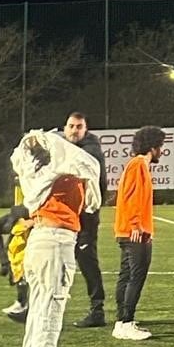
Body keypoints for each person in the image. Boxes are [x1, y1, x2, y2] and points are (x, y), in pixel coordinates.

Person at [10, 130, 101, 347]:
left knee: (40, 299)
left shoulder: (39, 178)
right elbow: (91, 190)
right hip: (56, 241)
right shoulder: (65, 177)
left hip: (40, 239)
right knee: (53, 300)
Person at [112, 125, 166, 340]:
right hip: (135, 232)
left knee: (126, 276)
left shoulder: (136, 165)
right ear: (152, 147)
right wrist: (136, 224)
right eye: (160, 147)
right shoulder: (138, 166)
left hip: (129, 229)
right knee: (135, 277)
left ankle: (122, 322)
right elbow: (131, 197)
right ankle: (126, 322)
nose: (161, 151)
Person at [61, 112, 109, 328]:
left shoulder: (91, 147)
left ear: (86, 129)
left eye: (79, 127)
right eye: (71, 126)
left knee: (86, 258)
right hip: (66, 211)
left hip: (86, 214)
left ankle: (97, 309)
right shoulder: (65, 142)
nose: (74, 130)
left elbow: (77, 161)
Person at [0, 200, 30, 321]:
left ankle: (28, 305)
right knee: (19, 271)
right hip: (20, 251)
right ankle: (22, 302)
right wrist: (4, 261)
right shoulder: (9, 220)